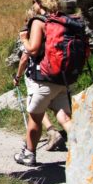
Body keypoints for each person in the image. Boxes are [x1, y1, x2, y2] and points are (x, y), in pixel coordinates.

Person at [14, 0, 73, 166]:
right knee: (65, 118)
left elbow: (32, 50)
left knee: (35, 120)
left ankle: (29, 154)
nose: (33, 5)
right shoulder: (64, 19)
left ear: (40, 1)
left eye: (34, 1)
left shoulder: (39, 21)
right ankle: (88, 147)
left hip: (44, 79)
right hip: (63, 78)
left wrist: (24, 38)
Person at [13, 10, 64, 152]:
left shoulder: (33, 33)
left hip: (36, 76)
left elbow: (24, 58)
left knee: (35, 108)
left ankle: (47, 134)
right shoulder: (50, 30)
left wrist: (17, 76)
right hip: (54, 74)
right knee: (56, 110)